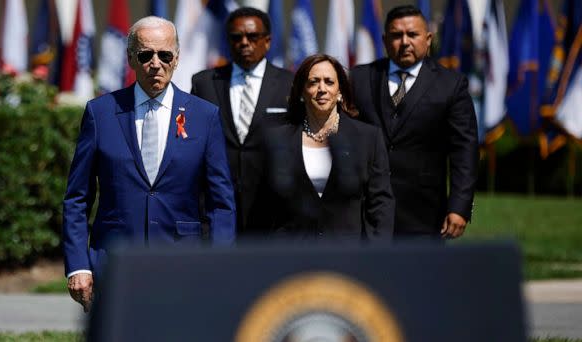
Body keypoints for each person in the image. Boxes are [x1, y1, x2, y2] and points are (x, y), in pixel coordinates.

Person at [62, 16, 236, 312]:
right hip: (114, 260)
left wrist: (218, 262)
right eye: (145, 55)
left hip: (183, 263)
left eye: (164, 55)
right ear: (131, 58)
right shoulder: (100, 113)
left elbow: (221, 203)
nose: (155, 63)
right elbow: (77, 198)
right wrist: (79, 265)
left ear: (176, 59)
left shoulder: (204, 116)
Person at [350, 5, 478, 240]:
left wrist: (460, 207)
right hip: (364, 212)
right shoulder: (359, 78)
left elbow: (465, 151)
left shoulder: (451, 85)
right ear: (384, 39)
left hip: (425, 215)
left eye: (413, 34)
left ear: (428, 39)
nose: (405, 42)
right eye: (397, 35)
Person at [255, 54, 394, 240]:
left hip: (348, 259)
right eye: (313, 82)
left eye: (329, 82)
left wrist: (375, 255)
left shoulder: (368, 138)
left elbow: (380, 204)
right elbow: (265, 207)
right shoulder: (277, 139)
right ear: (303, 92)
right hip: (292, 258)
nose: (322, 89)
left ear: (340, 92)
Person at [191, 7, 293, 235]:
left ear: (267, 41)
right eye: (237, 37)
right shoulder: (204, 83)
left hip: (272, 213)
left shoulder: (290, 84)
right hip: (216, 211)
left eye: (252, 36)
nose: (244, 42)